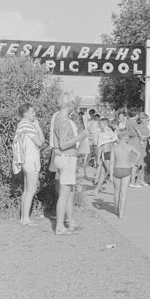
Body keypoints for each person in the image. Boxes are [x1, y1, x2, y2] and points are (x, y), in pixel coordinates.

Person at [53, 92, 88, 236]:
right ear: (69, 104)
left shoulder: (59, 119)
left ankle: (63, 224)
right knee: (64, 194)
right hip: (66, 158)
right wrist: (80, 136)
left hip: (62, 158)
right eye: (73, 103)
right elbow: (63, 144)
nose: (74, 107)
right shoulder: (64, 121)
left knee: (66, 193)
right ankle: (60, 226)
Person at [12, 103, 45, 226]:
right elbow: (40, 142)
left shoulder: (21, 125)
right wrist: (38, 127)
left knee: (26, 190)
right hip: (32, 160)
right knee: (31, 190)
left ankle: (23, 217)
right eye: (32, 112)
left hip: (26, 160)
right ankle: (26, 219)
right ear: (25, 113)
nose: (34, 114)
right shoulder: (28, 125)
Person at [109, 129, 141, 219]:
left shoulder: (114, 148)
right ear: (126, 138)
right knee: (124, 192)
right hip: (126, 170)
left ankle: (116, 207)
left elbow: (111, 162)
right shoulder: (129, 147)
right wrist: (134, 163)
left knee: (116, 191)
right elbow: (138, 154)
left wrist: (111, 175)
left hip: (117, 170)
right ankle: (121, 212)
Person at [92, 117, 118, 195]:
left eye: (99, 124)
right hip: (106, 154)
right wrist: (98, 158)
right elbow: (101, 147)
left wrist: (98, 158)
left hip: (107, 154)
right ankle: (117, 190)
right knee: (110, 173)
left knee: (105, 173)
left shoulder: (106, 132)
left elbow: (101, 147)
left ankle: (96, 190)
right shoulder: (106, 132)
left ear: (103, 124)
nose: (98, 125)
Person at [126, 109, 144, 188]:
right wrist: (142, 140)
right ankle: (133, 182)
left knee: (131, 161)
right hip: (136, 141)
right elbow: (139, 133)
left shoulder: (127, 122)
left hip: (130, 141)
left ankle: (130, 180)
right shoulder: (134, 122)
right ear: (135, 115)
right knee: (136, 162)